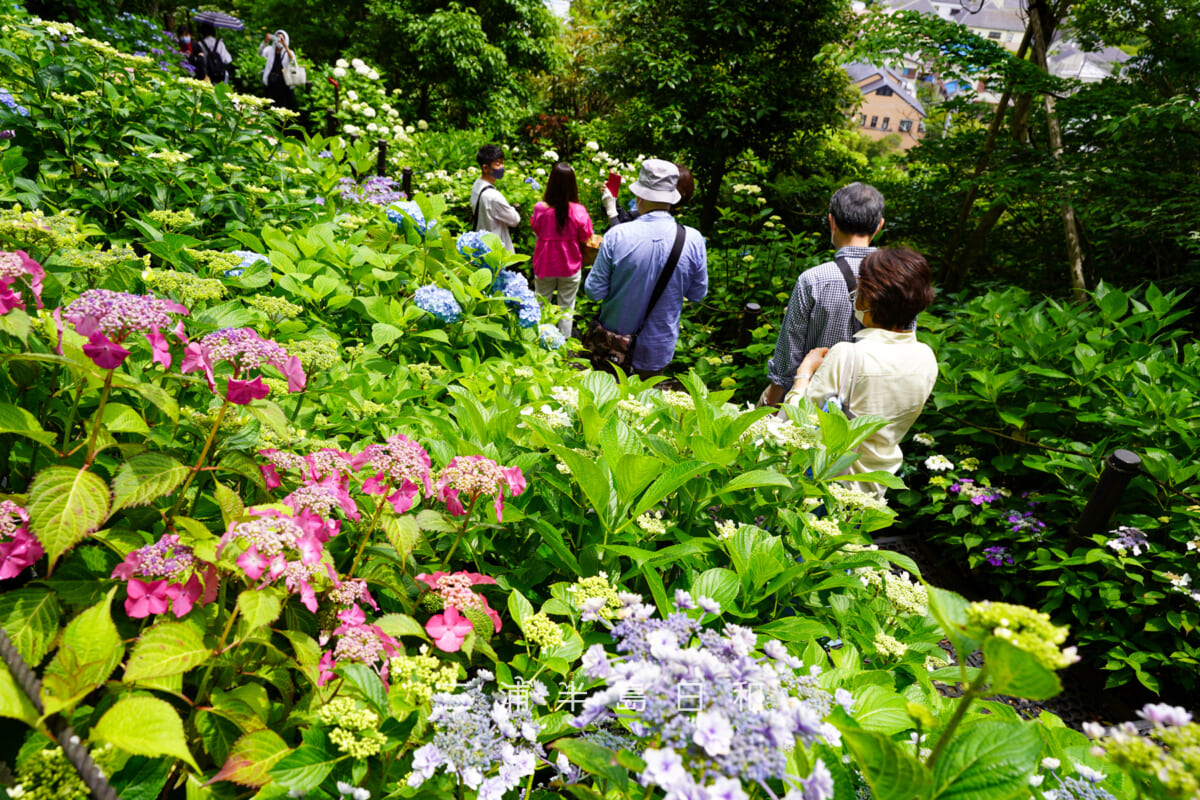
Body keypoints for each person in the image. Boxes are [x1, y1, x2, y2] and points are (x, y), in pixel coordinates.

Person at [784, 247, 937, 499]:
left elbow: (798, 423)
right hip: (878, 482)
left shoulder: (848, 355)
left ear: (869, 298)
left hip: (828, 487)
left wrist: (804, 373)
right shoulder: (927, 357)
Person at [759, 182, 886, 407]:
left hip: (809, 406)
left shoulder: (814, 280)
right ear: (879, 226)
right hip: (869, 411)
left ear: (831, 222)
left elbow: (788, 359)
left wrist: (770, 405)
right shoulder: (900, 283)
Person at [584, 159, 708, 379]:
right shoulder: (693, 239)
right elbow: (697, 294)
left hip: (613, 346)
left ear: (639, 196)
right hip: (657, 349)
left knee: (604, 404)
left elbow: (594, 292)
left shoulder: (617, 236)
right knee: (644, 407)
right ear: (672, 199)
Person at [531, 162, 595, 338]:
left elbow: (536, 229)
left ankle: (537, 340)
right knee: (567, 307)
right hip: (570, 266)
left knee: (540, 303)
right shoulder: (579, 211)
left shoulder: (540, 209)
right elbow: (586, 236)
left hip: (544, 264)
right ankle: (561, 344)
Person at [600, 163, 694, 227]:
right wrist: (612, 201)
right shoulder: (693, 238)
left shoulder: (653, 224)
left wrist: (611, 211)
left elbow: (618, 240)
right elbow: (626, 219)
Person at [470, 144, 520, 253]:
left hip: (481, 246)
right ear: (485, 168)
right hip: (497, 251)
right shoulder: (494, 196)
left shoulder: (476, 185)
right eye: (498, 164)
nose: (502, 167)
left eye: (502, 162)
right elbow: (515, 219)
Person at [258, 29, 297, 111]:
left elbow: (292, 60)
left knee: (283, 106)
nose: (279, 41)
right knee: (270, 106)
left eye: (281, 39)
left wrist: (285, 46)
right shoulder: (270, 50)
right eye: (277, 38)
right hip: (271, 84)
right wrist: (265, 41)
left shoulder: (288, 52)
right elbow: (260, 53)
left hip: (283, 85)